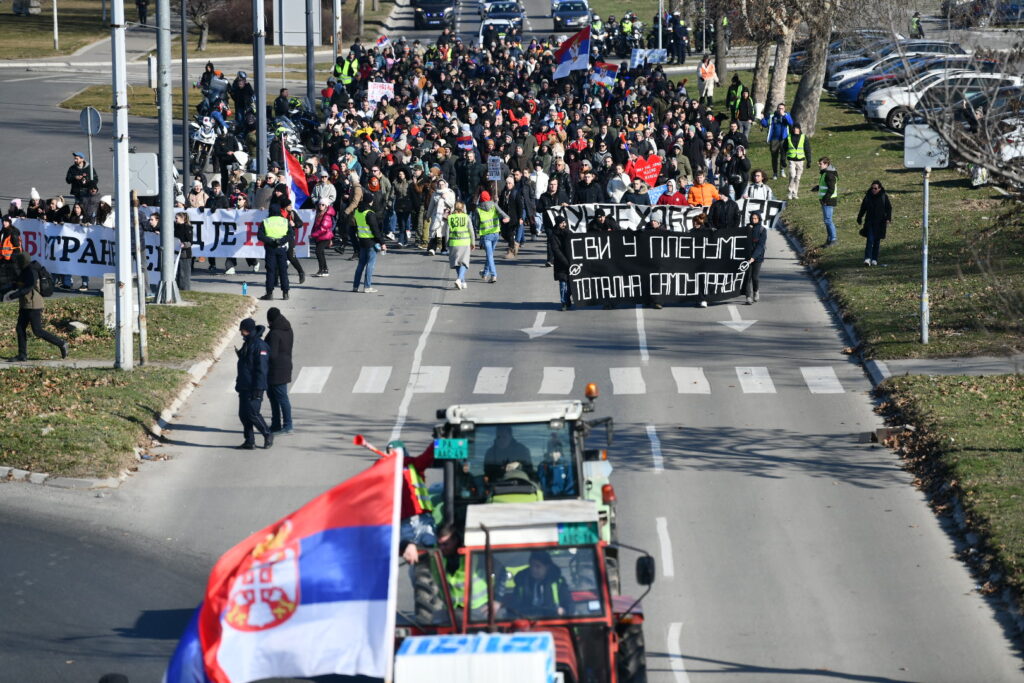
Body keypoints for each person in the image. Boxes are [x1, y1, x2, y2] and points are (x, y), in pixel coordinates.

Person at [4, 252, 68, 362]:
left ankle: (62, 343)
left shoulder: (31, 271)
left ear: (22, 261)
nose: (16, 264)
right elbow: (17, 284)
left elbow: (28, 287)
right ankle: (22, 355)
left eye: (18, 261)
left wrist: (12, 296)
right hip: (25, 304)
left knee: (37, 331)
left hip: (34, 304)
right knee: (20, 328)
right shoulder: (24, 270)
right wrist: (4, 290)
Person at [395, 440, 438, 565]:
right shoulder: (386, 471)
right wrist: (438, 441)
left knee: (431, 553)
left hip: (420, 520)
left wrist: (437, 442)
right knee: (426, 555)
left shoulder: (413, 465)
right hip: (409, 522)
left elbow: (427, 457)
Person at [234, 317, 272, 450]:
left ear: (248, 330)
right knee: (243, 415)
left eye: (242, 330)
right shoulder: (248, 343)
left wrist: (258, 388)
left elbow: (261, 369)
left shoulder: (259, 346)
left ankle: (267, 434)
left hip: (254, 387)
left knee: (253, 413)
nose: (240, 333)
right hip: (244, 385)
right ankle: (249, 441)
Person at [506, 550, 571, 618]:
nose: (534, 569)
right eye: (532, 566)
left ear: (547, 567)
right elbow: (514, 606)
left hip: (551, 621)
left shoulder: (558, 582)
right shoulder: (522, 583)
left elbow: (569, 606)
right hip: (527, 622)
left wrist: (562, 611)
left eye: (538, 566)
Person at [265, 307, 294, 435]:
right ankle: (277, 424)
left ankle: (287, 425)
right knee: (276, 397)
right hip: (285, 366)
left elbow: (272, 354)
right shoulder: (287, 328)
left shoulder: (274, 334)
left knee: (279, 398)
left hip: (276, 370)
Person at [353, 193, 386, 293]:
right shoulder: (369, 213)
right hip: (371, 241)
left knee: (361, 264)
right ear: (370, 201)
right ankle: (367, 287)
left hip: (362, 241)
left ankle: (355, 286)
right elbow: (375, 230)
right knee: (370, 264)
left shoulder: (357, 212)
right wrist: (382, 243)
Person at [258, 205, 291, 300]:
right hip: (282, 248)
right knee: (283, 271)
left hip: (270, 248)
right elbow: (291, 234)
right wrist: (281, 241)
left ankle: (269, 293)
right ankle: (285, 293)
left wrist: (271, 241)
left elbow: (260, 236)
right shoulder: (285, 221)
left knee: (270, 271)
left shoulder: (266, 221)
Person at [856, 180, 891, 266]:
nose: (873, 190)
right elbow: (863, 207)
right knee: (870, 240)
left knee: (876, 241)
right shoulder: (868, 196)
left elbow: (889, 208)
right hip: (870, 222)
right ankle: (867, 258)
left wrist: (888, 218)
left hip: (880, 223)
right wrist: (859, 217)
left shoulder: (883, 197)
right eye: (872, 188)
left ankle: (874, 259)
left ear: (879, 188)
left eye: (875, 188)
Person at [445, 201, 475, 290]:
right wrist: (473, 243)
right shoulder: (466, 217)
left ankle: (462, 281)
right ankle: (459, 279)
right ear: (462, 208)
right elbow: (471, 231)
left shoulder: (450, 217)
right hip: (465, 242)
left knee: (457, 263)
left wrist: (447, 243)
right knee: (464, 262)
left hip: (454, 242)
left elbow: (447, 232)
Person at [760, 104, 793, 180]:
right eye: (779, 108)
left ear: (784, 109)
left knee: (783, 155)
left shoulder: (787, 115)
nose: (780, 110)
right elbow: (765, 124)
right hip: (774, 139)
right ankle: (775, 173)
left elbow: (791, 123)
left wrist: (784, 115)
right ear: (777, 109)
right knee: (774, 156)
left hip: (784, 138)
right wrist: (762, 119)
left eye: (782, 108)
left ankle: (782, 170)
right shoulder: (772, 116)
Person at [549, 215, 573, 311]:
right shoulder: (553, 236)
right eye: (562, 223)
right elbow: (556, 250)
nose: (564, 224)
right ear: (558, 224)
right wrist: (565, 262)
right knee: (563, 284)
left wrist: (567, 232)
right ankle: (563, 302)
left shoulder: (568, 232)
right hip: (561, 264)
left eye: (564, 222)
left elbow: (574, 240)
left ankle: (567, 300)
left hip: (571, 262)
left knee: (570, 284)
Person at [743, 211, 767, 304]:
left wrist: (753, 257)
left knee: (755, 277)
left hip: (757, 257)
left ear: (759, 219)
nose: (754, 220)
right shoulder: (748, 228)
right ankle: (748, 296)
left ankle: (756, 291)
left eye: (756, 218)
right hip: (747, 256)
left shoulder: (762, 230)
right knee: (747, 277)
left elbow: (761, 245)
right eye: (752, 218)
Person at [815, 157, 839, 247]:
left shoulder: (829, 174)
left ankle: (833, 239)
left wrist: (825, 199)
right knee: (826, 220)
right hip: (825, 200)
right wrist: (818, 187)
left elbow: (831, 189)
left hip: (828, 201)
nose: (819, 165)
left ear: (826, 164)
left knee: (828, 220)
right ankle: (829, 240)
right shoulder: (825, 173)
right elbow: (825, 185)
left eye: (820, 163)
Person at [310, 198, 336, 277]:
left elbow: (323, 229)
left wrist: (312, 235)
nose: (321, 206)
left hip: (325, 236)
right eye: (320, 204)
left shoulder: (326, 215)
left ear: (326, 206)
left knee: (318, 251)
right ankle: (324, 269)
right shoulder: (319, 213)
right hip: (320, 237)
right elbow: (315, 226)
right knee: (320, 252)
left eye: (323, 205)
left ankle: (322, 270)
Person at [785, 123, 811, 200]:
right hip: (791, 160)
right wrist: (783, 159)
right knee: (792, 175)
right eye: (794, 128)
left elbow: (807, 149)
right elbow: (784, 148)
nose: (796, 130)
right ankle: (790, 191)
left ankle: (795, 193)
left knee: (798, 178)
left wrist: (809, 160)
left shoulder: (803, 137)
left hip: (800, 161)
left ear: (799, 129)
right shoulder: (789, 137)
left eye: (797, 128)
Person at [173, 211, 193, 291]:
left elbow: (190, 242)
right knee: (177, 272)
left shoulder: (187, 228)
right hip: (176, 252)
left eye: (177, 218)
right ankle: (177, 288)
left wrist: (184, 244)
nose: (175, 220)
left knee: (184, 273)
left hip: (185, 254)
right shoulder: (175, 227)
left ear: (183, 219)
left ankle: (185, 289)